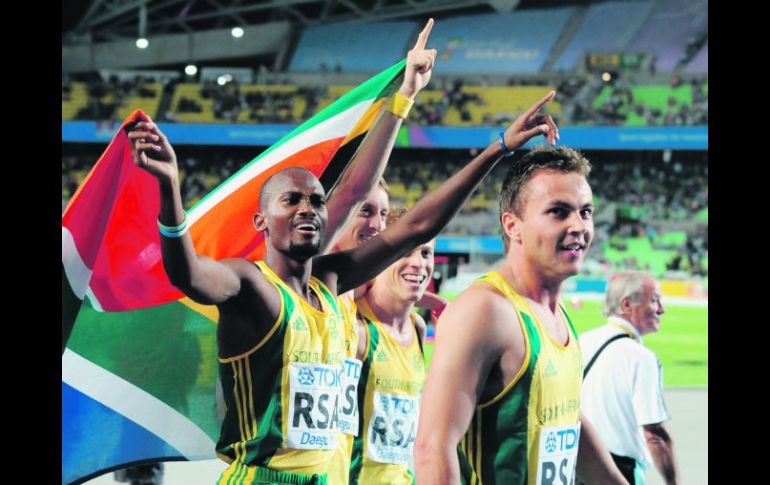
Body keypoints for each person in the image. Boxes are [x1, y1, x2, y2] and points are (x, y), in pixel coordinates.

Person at [128, 87, 558, 484]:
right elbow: (188, 273)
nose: (308, 208)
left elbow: (413, 226)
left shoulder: (331, 284)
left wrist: (496, 148)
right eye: (291, 200)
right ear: (261, 222)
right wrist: (169, 188)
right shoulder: (250, 285)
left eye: (316, 200)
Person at [414, 145, 629, 485]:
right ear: (513, 226)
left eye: (585, 212)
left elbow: (566, 420)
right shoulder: (484, 311)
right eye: (559, 212)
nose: (579, 225)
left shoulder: (555, 313)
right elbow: (432, 448)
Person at [348, 208, 432, 485]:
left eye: (426, 253)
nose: (419, 263)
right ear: (379, 257)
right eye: (405, 252)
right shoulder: (355, 328)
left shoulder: (418, 328)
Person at [578, 272, 678, 485]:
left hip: (577, 467)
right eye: (654, 300)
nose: (662, 309)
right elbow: (654, 436)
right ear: (626, 305)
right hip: (619, 471)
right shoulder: (641, 358)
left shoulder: (581, 341)